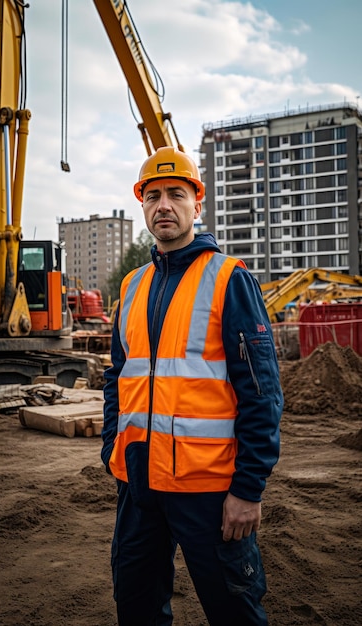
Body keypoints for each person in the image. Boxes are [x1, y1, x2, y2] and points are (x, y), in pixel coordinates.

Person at [102, 146, 283, 626]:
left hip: (209, 490)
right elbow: (117, 376)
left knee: (235, 612)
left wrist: (248, 489)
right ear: (142, 204)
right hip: (139, 486)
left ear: (196, 204)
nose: (164, 205)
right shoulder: (133, 286)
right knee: (136, 607)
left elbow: (261, 393)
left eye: (176, 195)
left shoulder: (228, 278)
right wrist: (110, 449)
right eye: (153, 195)